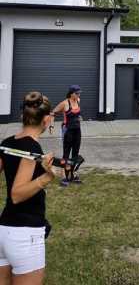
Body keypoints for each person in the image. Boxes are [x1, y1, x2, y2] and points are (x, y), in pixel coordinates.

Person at [0, 91, 56, 285]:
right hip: (25, 235)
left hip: (5, 230)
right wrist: (46, 177)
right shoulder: (31, 148)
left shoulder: (7, 143)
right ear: (47, 119)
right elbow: (17, 194)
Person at [51, 85, 82, 186]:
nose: (78, 95)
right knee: (66, 153)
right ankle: (64, 176)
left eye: (79, 93)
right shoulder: (64, 103)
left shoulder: (78, 100)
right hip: (67, 131)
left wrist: (79, 117)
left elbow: (77, 114)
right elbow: (52, 113)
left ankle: (73, 174)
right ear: (71, 93)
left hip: (77, 130)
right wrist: (51, 126)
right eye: (77, 93)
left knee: (76, 153)